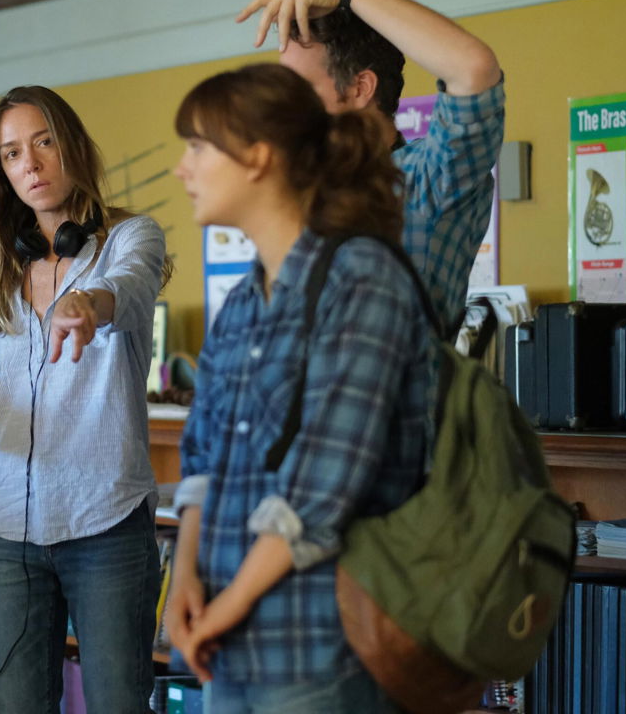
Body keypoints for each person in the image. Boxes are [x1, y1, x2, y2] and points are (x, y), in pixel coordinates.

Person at [165, 63, 435, 713]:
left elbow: (323, 486)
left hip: (325, 648)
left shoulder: (361, 276)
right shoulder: (240, 302)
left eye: (198, 147)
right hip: (232, 645)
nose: (182, 168)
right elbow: (203, 458)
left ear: (257, 157)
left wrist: (225, 606)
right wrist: (184, 585)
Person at [0, 85, 170, 713]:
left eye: (44, 142)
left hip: (105, 523)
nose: (31, 164)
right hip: (9, 535)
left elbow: (126, 290)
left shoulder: (131, 239)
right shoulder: (3, 272)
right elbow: (8, 401)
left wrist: (86, 303)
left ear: (71, 146)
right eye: (13, 153)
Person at [237, 0, 505, 331]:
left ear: (361, 88)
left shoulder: (425, 179)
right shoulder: (302, 193)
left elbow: (473, 71)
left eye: (300, 89)